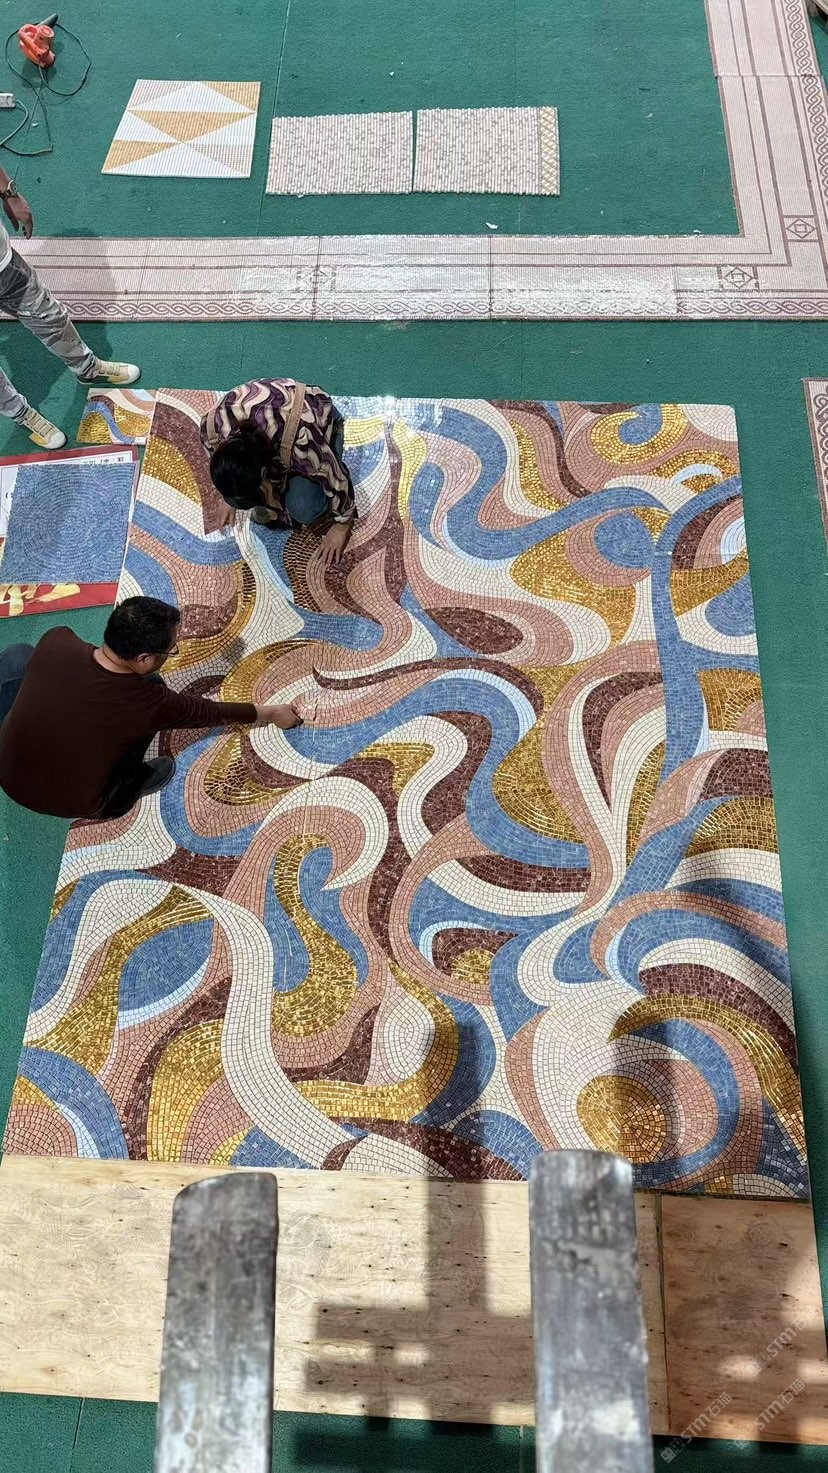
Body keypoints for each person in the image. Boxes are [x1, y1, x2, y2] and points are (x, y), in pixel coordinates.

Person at [0, 596, 302, 821]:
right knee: (150, 694)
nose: (173, 652)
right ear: (143, 658)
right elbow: (209, 712)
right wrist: (272, 713)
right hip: (78, 802)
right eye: (170, 650)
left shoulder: (57, 639)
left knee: (19, 655)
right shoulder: (148, 702)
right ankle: (136, 782)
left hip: (8, 775)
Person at [0, 167, 140, 451]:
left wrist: (8, 192)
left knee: (50, 317)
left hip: (3, 265)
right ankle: (20, 412)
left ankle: (87, 368)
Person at [200, 378, 356, 570]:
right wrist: (230, 493)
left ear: (263, 471)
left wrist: (341, 527)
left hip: (320, 424)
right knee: (242, 499)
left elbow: (336, 478)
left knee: (302, 507)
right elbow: (229, 468)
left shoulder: (302, 442)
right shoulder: (211, 431)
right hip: (278, 441)